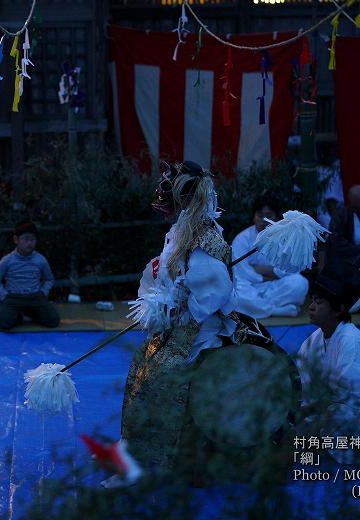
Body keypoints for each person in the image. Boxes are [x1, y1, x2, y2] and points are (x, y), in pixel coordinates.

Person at [118, 161, 247, 480]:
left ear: (183, 201)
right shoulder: (184, 229)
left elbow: (215, 288)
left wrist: (175, 306)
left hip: (201, 329)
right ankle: (134, 452)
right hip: (179, 321)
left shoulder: (201, 238)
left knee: (161, 375)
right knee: (141, 365)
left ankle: (154, 463)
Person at [297, 264, 360, 461]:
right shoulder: (313, 340)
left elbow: (352, 396)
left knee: (339, 416)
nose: (310, 307)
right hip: (327, 408)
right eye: (312, 300)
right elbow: (304, 383)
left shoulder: (351, 341)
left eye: (319, 302)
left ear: (338, 309)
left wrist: (309, 412)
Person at [231, 198, 309, 318]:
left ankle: (257, 308)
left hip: (274, 286)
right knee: (236, 292)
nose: (264, 220)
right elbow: (240, 273)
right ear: (253, 217)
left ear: (277, 218)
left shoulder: (285, 239)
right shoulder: (242, 239)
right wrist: (268, 275)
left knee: (299, 283)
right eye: (260, 215)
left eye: (269, 215)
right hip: (249, 286)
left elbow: (291, 269)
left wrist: (260, 269)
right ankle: (275, 310)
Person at [0, 221, 59, 330]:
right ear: (16, 240)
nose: (30, 243)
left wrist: (43, 292)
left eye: (33, 239)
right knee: (4, 323)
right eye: (26, 239)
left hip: (34, 296)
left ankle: (30, 312)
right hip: (13, 297)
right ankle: (18, 315)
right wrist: (4, 296)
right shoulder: (7, 260)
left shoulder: (40, 259)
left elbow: (49, 279)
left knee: (53, 320)